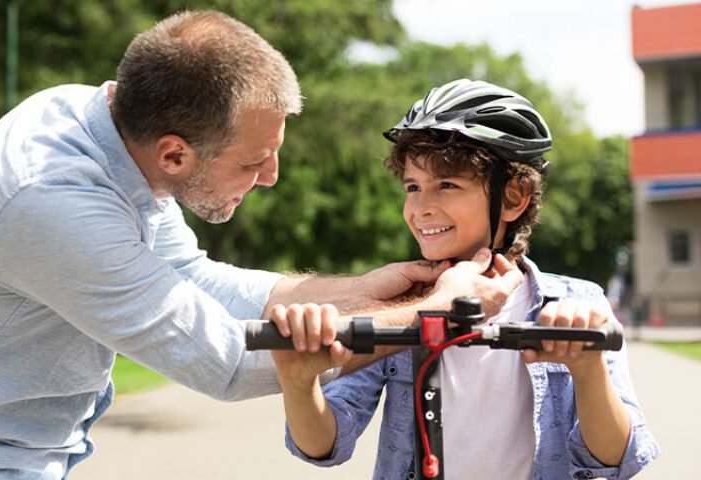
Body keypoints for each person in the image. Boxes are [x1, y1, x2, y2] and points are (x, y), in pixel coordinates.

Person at [0, 12, 523, 480]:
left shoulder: (101, 128)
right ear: (175, 152)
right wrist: (439, 312)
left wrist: (362, 289)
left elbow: (195, 278)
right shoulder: (49, 201)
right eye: (255, 160)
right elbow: (227, 363)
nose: (273, 176)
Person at [270, 79, 660, 480]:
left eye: (447, 185)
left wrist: (588, 368)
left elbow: (617, 459)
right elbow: (325, 444)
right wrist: (300, 385)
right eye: (412, 186)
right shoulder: (402, 308)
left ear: (513, 197)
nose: (419, 208)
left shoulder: (577, 304)